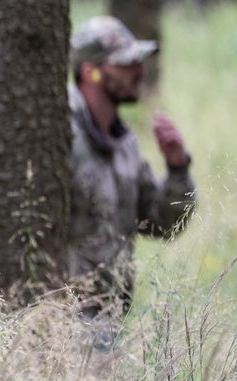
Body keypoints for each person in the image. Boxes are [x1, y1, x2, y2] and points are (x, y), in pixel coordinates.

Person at [67, 16, 197, 328]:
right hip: (63, 320)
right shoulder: (61, 134)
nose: (139, 71)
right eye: (125, 64)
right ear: (91, 71)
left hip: (109, 317)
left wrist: (178, 167)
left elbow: (162, 223)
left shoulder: (123, 143)